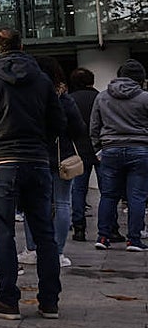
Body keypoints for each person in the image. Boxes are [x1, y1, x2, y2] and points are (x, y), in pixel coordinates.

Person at [0, 29, 64, 319]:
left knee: (3, 231)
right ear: (22, 47)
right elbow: (58, 121)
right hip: (36, 159)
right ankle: (49, 301)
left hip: (0, 160)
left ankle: (8, 299)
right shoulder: (42, 80)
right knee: (45, 233)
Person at [19, 56, 87, 268]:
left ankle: (32, 249)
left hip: (35, 155)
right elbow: (78, 128)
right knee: (63, 203)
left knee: (34, 205)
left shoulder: (28, 96)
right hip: (63, 157)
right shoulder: (64, 98)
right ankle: (57, 252)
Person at [90, 59, 148, 252]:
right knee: (137, 197)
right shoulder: (145, 98)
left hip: (110, 149)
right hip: (140, 149)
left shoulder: (103, 97)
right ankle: (134, 239)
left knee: (108, 195)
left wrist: (98, 147)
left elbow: (94, 126)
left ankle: (104, 236)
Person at [67, 68, 100, 242]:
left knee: (78, 190)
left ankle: (79, 227)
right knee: (107, 191)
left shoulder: (70, 100)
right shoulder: (100, 98)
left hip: (78, 150)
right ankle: (107, 229)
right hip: (100, 148)